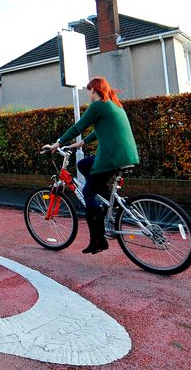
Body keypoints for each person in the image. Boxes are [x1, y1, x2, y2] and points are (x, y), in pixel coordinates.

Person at [43, 76, 139, 254]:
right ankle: (107, 201)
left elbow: (78, 127)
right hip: (127, 155)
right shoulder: (114, 105)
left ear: (93, 90)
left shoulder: (98, 105)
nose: (88, 94)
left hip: (111, 157)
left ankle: (98, 240)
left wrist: (57, 144)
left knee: (87, 192)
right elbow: (101, 129)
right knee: (84, 165)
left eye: (88, 90)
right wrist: (83, 142)